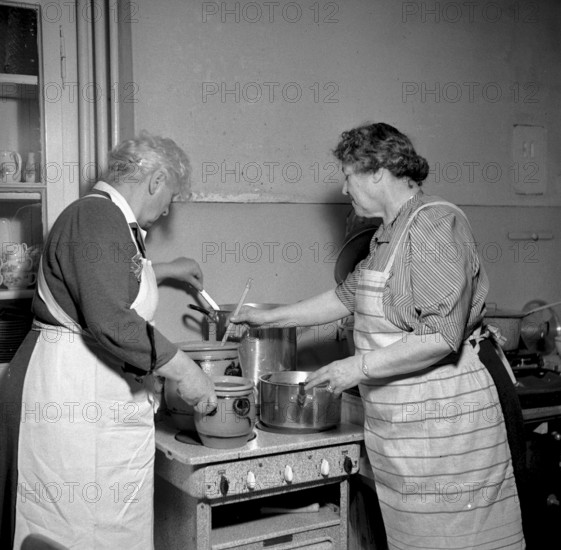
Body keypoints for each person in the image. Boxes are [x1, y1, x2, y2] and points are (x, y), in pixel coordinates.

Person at [231, 123, 530, 549]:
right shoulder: (389, 233)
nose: (343, 185)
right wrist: (266, 320)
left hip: (453, 419)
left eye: (347, 173)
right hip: (411, 425)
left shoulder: (433, 226)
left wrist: (352, 368)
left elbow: (440, 336)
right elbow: (344, 297)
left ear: (377, 170)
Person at [0, 131, 217, 549]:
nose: (167, 208)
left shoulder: (109, 221)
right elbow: (112, 319)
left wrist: (167, 269)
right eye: (169, 196)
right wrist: (186, 371)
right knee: (70, 529)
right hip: (68, 402)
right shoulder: (95, 217)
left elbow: (111, 277)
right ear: (155, 182)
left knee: (103, 528)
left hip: (89, 403)